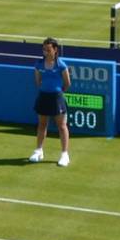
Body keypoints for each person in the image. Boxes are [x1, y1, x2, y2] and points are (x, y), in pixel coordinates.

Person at [29, 38, 71, 167]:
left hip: (57, 98)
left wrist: (58, 92)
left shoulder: (61, 65)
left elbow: (67, 83)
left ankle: (65, 154)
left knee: (62, 126)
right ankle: (38, 151)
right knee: (42, 125)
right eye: (44, 49)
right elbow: (37, 81)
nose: (46, 52)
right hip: (43, 96)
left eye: (48, 49)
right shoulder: (39, 64)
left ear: (55, 49)